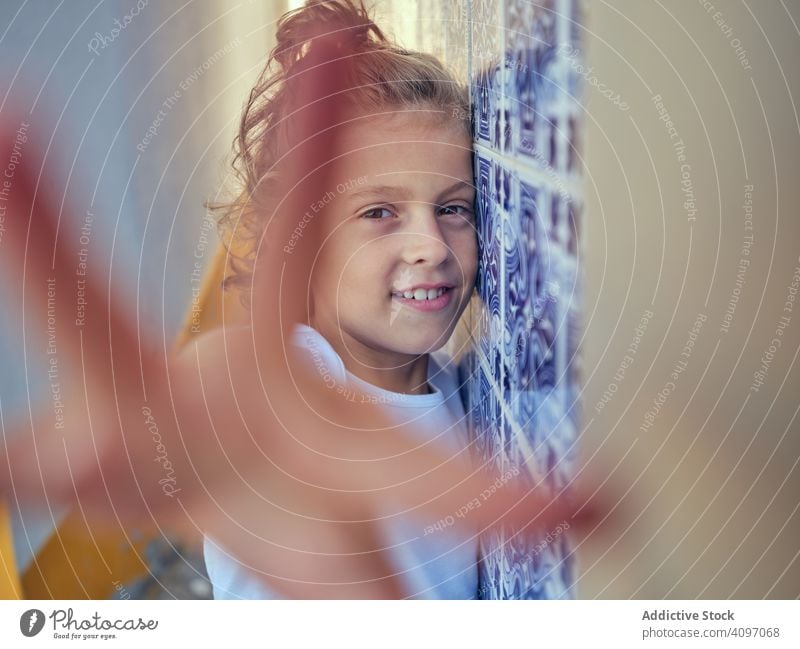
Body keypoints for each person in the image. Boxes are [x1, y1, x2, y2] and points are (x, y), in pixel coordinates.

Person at [0, 0, 595, 600]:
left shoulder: (461, 390)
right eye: (379, 212)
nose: (431, 246)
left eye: (452, 208)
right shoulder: (291, 378)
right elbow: (229, 391)